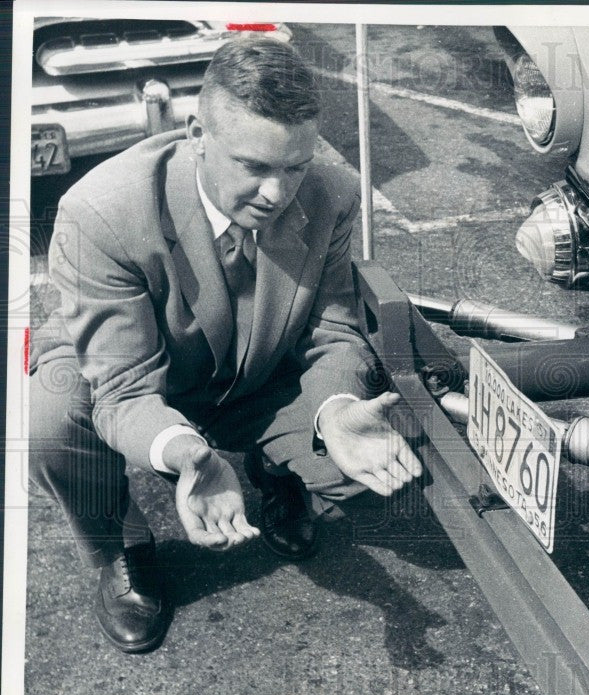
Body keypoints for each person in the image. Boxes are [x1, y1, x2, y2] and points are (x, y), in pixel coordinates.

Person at [28, 36, 421, 654]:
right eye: (255, 167)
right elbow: (124, 387)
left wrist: (336, 410)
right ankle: (123, 545)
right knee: (48, 421)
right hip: (129, 374)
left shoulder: (333, 194)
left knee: (374, 461)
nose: (277, 193)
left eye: (294, 167)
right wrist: (187, 452)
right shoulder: (102, 211)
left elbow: (333, 332)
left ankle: (277, 472)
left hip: (257, 374)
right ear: (195, 133)